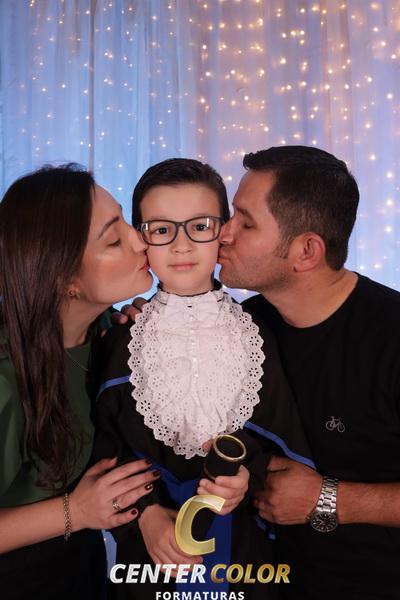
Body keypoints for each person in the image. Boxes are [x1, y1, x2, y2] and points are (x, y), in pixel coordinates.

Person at [94, 158, 313, 599]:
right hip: (151, 548)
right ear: (141, 237)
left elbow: (280, 439)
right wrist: (145, 514)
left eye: (199, 226)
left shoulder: (258, 333)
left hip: (242, 547)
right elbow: (105, 447)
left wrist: (246, 477)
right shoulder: (120, 338)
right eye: (161, 229)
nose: (181, 246)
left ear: (223, 232)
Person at [217, 145, 400, 599]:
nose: (223, 233)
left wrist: (331, 500)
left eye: (245, 222)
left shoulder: (391, 338)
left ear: (305, 251)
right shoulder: (241, 327)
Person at [0, 164, 161, 600]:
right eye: (113, 239)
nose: (140, 240)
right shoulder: (6, 378)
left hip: (82, 572)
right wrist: (76, 510)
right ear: (64, 280)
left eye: (125, 221)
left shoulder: (107, 332)